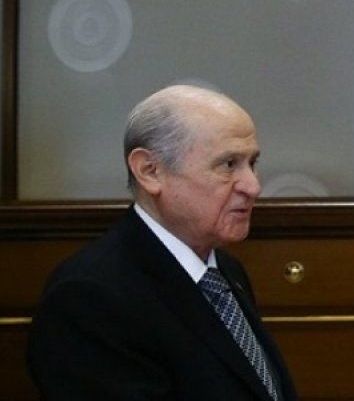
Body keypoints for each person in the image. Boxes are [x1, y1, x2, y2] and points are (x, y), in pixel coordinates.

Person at [27, 85, 297, 400]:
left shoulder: (226, 271)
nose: (253, 186)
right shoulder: (89, 298)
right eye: (228, 165)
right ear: (150, 171)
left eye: (252, 163)